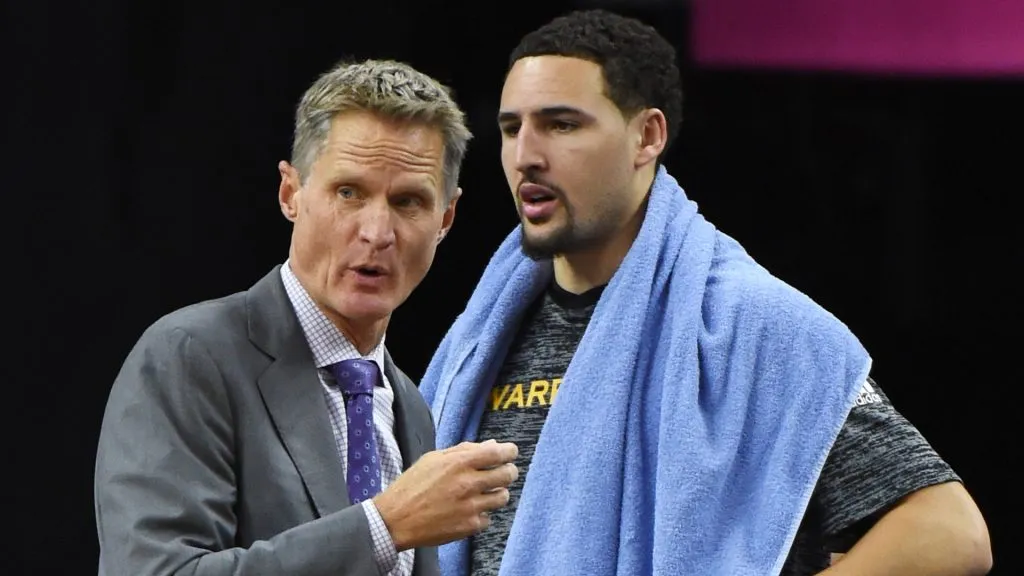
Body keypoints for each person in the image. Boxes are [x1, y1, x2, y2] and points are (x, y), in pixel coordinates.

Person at [419, 10, 992, 576]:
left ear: (647, 136)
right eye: (511, 128)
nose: (526, 156)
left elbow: (950, 532)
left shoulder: (754, 323)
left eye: (562, 124)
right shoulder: (477, 341)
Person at [94, 59, 519, 576]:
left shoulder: (409, 405)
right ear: (290, 194)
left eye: (408, 201)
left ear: (445, 219)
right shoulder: (189, 356)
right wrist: (384, 526)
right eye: (349, 193)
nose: (377, 232)